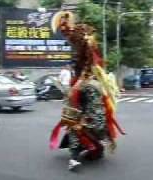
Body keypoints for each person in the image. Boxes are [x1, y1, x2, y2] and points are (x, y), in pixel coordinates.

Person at [49, 11, 126, 171]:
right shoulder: (73, 40)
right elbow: (77, 63)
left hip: (89, 81)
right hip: (78, 81)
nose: (64, 32)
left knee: (94, 121)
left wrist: (81, 81)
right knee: (72, 120)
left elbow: (91, 63)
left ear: (70, 24)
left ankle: (94, 146)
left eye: (65, 27)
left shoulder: (86, 38)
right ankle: (75, 156)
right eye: (62, 30)